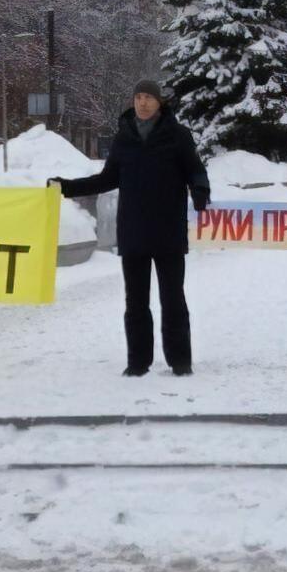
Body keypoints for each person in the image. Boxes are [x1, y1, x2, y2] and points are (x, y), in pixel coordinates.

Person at [51, 80, 210, 377]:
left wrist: (200, 189)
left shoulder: (178, 135)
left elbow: (195, 169)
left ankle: (180, 360)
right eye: (138, 97)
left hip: (168, 233)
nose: (143, 103)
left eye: (149, 97)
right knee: (135, 301)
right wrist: (67, 187)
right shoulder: (124, 138)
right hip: (134, 233)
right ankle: (138, 362)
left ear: (159, 102)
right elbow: (106, 179)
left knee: (172, 298)